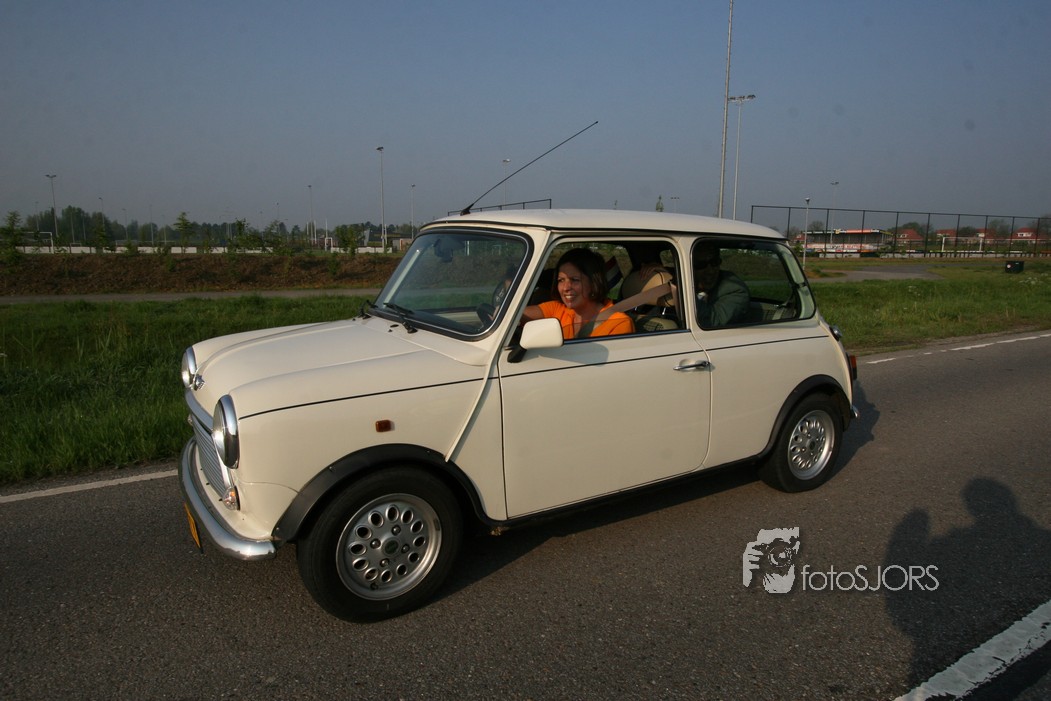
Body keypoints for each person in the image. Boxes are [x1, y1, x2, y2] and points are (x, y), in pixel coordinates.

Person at [522, 248, 634, 339]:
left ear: (594, 283)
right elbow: (515, 315)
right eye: (561, 280)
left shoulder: (618, 323)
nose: (566, 288)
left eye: (575, 280)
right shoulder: (558, 309)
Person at [693, 242, 750, 327]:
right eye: (701, 264)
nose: (710, 271)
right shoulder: (689, 282)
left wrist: (683, 294)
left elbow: (711, 322)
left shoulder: (736, 290)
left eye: (714, 262)